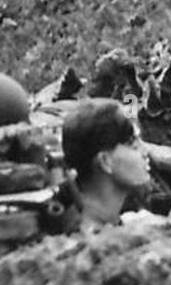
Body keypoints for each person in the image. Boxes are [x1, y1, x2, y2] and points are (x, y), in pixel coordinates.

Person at [59, 98, 152, 229]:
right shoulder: (89, 233)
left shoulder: (109, 221)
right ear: (105, 161)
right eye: (132, 144)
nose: (145, 151)